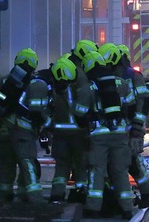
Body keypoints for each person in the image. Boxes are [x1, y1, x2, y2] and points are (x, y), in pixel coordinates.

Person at [74, 50, 137, 219]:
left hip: (98, 137)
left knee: (97, 171)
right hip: (120, 135)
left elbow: (79, 113)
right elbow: (132, 105)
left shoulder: (88, 88)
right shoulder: (122, 83)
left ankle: (93, 208)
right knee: (120, 172)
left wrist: (87, 124)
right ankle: (127, 208)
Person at [101, 43, 149, 209]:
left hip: (131, 128)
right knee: (125, 162)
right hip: (119, 129)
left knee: (130, 163)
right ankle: (143, 194)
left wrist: (136, 126)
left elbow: (142, 103)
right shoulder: (109, 77)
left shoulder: (133, 76)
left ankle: (144, 194)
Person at [0, 48, 50, 203]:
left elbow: (0, 102)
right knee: (28, 163)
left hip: (6, 128)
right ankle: (34, 197)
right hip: (23, 131)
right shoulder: (35, 84)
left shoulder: (7, 80)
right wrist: (46, 125)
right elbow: (36, 112)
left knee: (7, 164)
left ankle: (4, 195)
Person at [47, 56, 90, 203]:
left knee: (61, 166)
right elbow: (82, 110)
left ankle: (57, 195)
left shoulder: (53, 90)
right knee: (80, 165)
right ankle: (80, 193)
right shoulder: (77, 88)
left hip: (60, 135)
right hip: (78, 134)